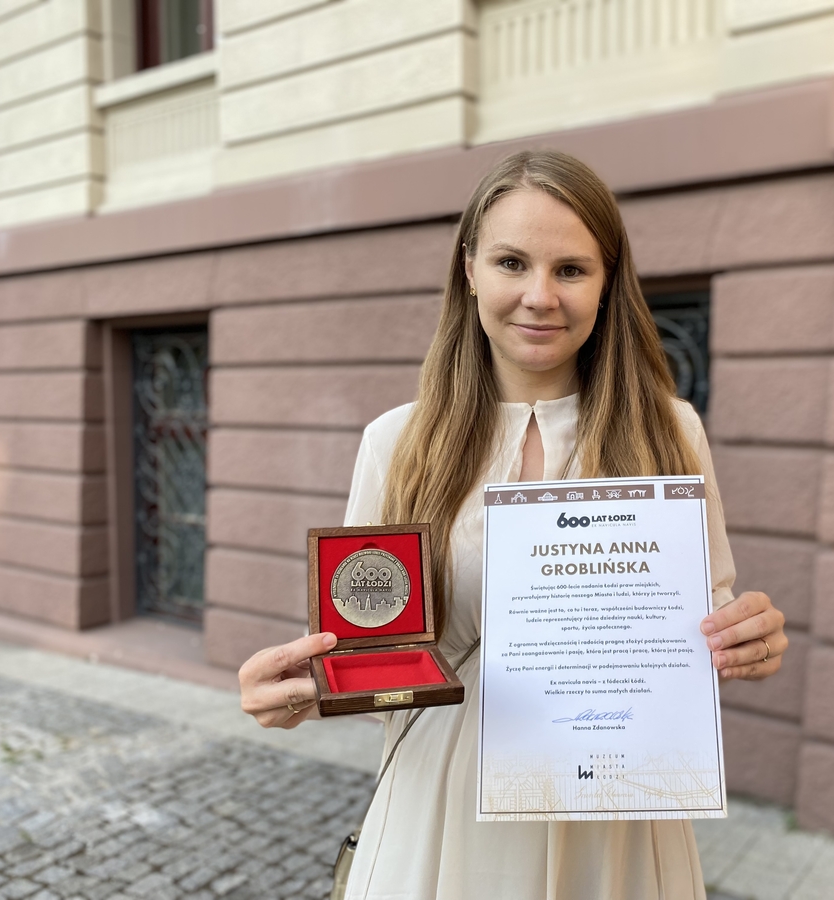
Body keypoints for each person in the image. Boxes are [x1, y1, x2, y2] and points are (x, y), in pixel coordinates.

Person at [238, 149, 789, 900]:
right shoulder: (396, 443)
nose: (540, 296)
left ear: (608, 282)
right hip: (446, 809)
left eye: (571, 269)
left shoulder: (670, 431)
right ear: (469, 269)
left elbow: (706, 621)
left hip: (616, 813)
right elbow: (369, 645)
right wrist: (306, 689)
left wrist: (748, 637)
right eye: (511, 262)